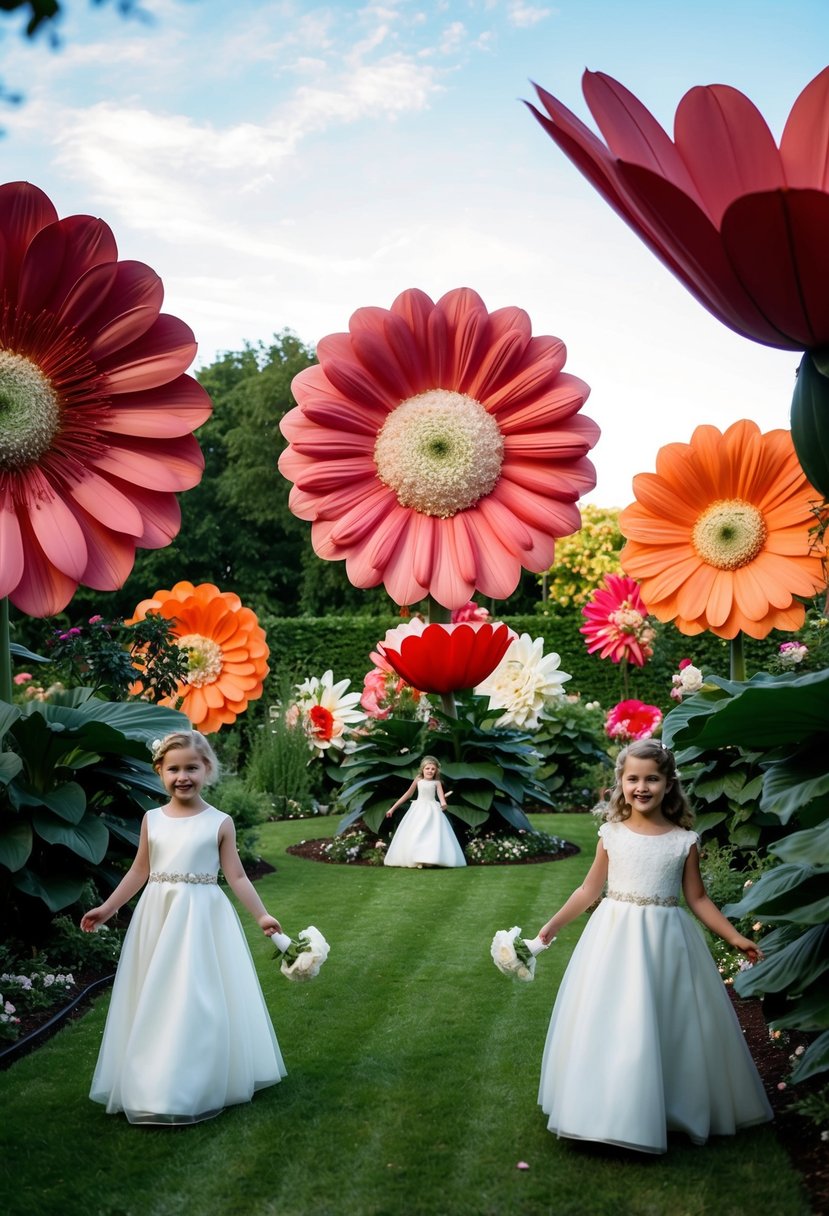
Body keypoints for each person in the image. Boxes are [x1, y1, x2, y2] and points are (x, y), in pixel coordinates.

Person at [534, 738, 773, 1154]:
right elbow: (590, 889)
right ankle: (601, 1109)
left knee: (668, 1021)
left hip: (666, 940)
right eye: (633, 779)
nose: (641, 787)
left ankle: (667, 1107)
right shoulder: (610, 834)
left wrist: (734, 936)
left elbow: (696, 898)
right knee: (611, 1018)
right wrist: (552, 927)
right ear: (621, 783)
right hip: (613, 936)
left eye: (652, 779)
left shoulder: (683, 841)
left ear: (668, 784)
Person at [81, 730, 287, 1124]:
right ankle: (151, 1081)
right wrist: (108, 908)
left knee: (198, 996)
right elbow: (140, 870)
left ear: (206, 769)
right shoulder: (152, 820)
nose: (183, 777)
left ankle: (198, 1079)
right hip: (157, 916)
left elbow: (238, 876)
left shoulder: (219, 822)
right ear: (160, 771)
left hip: (201, 920)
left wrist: (262, 916)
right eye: (173, 769)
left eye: (191, 767)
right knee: (155, 993)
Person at [383, 755, 466, 868]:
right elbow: (407, 794)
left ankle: (429, 859)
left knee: (432, 834)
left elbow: (441, 798)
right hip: (418, 809)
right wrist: (392, 808)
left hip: (432, 811)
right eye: (427, 768)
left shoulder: (437, 783)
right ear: (422, 769)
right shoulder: (418, 780)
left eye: (433, 769)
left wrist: (443, 804)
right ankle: (417, 859)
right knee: (416, 833)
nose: (430, 771)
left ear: (436, 770)